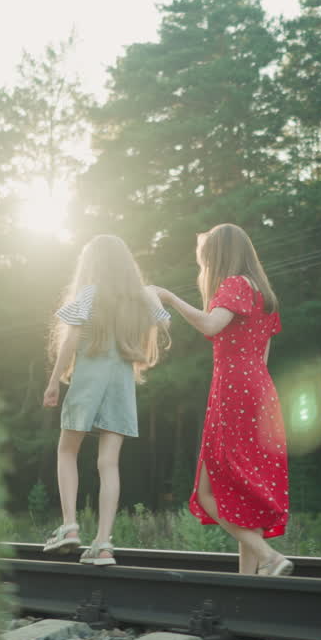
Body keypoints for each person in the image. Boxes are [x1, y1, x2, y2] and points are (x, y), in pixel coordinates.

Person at [154, 223, 292, 575]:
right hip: (261, 390)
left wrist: (169, 298)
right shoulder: (264, 292)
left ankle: (269, 556)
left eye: (205, 256)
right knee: (246, 492)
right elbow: (263, 356)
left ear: (219, 255)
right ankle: (246, 587)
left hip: (234, 389)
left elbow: (211, 325)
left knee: (206, 492)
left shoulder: (234, 285)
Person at [43, 235, 170, 566]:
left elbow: (70, 340)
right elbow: (165, 320)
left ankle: (70, 527)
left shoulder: (88, 294)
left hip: (87, 382)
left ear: (92, 264)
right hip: (121, 387)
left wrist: (54, 381)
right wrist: (153, 293)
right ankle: (102, 544)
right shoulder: (139, 300)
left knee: (67, 450)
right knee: (108, 464)